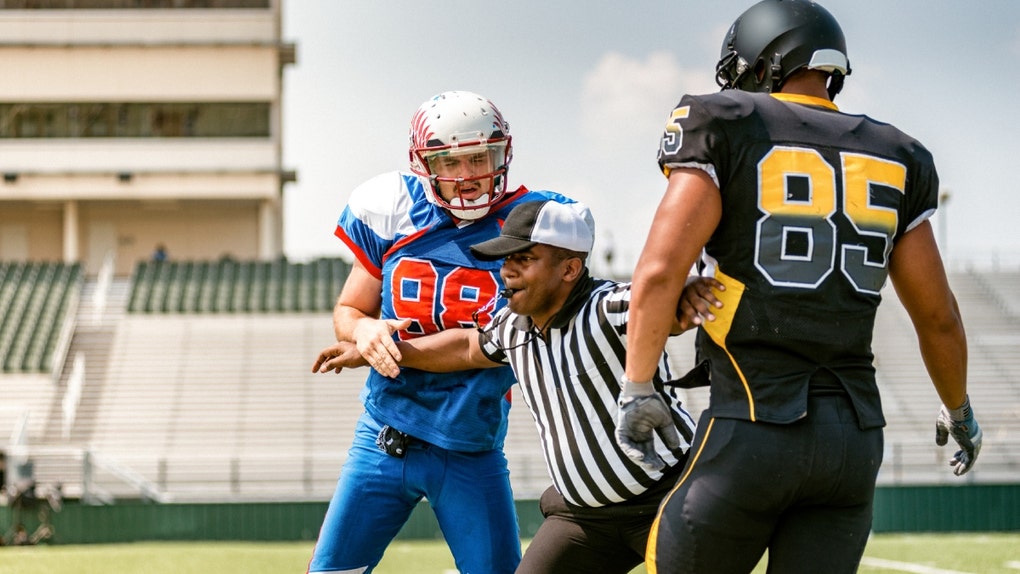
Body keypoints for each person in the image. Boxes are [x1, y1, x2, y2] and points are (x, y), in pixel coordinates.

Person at [613, 1, 983, 573]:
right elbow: (939, 317)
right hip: (854, 444)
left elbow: (660, 272)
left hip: (750, 427)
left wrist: (639, 386)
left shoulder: (726, 121)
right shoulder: (900, 154)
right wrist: (959, 411)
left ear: (763, 63)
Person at [314, 198, 721, 574]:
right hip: (585, 516)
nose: (507, 270)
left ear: (569, 269)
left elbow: (656, 302)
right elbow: (467, 346)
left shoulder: (606, 307)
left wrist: (687, 293)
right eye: (506, 259)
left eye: (524, 259)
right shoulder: (513, 324)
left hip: (665, 502)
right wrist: (387, 350)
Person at [306, 91, 580, 574]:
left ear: (503, 153)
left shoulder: (533, 223)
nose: (469, 174)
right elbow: (350, 309)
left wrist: (391, 349)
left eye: (480, 156)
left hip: (471, 445)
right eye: (450, 160)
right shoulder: (394, 208)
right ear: (424, 164)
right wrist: (365, 330)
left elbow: (486, 349)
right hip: (383, 437)